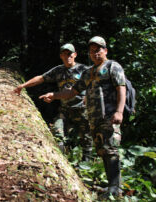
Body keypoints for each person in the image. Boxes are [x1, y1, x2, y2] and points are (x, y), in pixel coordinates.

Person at [39, 36, 126, 198]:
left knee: (111, 149)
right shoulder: (88, 72)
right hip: (93, 118)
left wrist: (119, 111)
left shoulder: (113, 66)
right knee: (102, 151)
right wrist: (54, 95)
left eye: (98, 50)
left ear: (105, 51)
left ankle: (116, 189)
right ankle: (111, 188)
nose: (95, 53)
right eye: (92, 51)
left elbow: (122, 88)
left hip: (109, 116)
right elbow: (72, 92)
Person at [14, 43, 92, 161]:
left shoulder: (84, 70)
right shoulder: (58, 70)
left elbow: (95, 85)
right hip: (65, 110)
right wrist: (22, 86)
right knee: (57, 134)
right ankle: (62, 162)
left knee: (87, 142)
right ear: (61, 56)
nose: (68, 57)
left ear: (75, 55)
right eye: (65, 54)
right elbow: (41, 78)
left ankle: (87, 169)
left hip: (81, 110)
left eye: (70, 54)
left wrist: (90, 97)